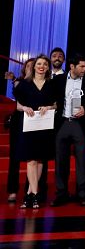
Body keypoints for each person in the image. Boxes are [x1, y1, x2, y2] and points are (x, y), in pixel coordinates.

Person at [51, 54, 85, 207]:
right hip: (63, 123)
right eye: (82, 66)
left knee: (82, 161)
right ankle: (61, 193)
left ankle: (83, 194)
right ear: (72, 66)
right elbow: (51, 99)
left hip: (81, 125)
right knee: (60, 161)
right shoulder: (58, 81)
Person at [15, 55, 58, 209]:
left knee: (40, 160)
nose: (41, 66)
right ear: (34, 66)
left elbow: (55, 105)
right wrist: (25, 108)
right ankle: (35, 193)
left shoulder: (51, 84)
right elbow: (18, 105)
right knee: (31, 160)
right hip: (29, 126)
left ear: (47, 67)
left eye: (45, 64)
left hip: (44, 126)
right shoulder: (24, 84)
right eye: (39, 64)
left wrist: (48, 107)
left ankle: (30, 194)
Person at [5, 58, 34, 203]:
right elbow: (17, 101)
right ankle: (12, 191)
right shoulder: (20, 83)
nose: (30, 68)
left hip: (34, 122)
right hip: (19, 121)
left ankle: (31, 190)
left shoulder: (41, 84)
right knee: (14, 158)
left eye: (33, 66)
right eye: (28, 66)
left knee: (33, 158)